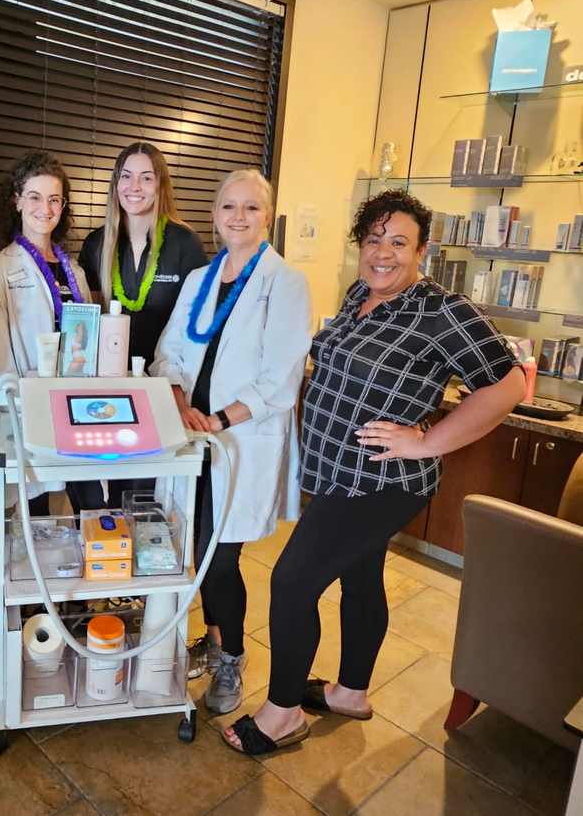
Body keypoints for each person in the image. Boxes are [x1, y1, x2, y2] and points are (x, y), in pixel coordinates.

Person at [224, 189, 527, 755]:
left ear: (422, 250)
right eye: (372, 240)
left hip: (380, 481)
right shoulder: (358, 293)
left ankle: (282, 715)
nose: (382, 253)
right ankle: (350, 693)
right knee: (361, 576)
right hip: (336, 472)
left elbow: (508, 386)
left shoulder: (442, 311)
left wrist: (426, 441)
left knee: (291, 582)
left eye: (398, 242)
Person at [151, 169, 312, 716]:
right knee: (190, 550)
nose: (238, 217)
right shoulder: (201, 278)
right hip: (190, 439)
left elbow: (281, 378)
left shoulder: (285, 282)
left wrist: (217, 420)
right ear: (215, 216)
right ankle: (216, 639)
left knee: (218, 561)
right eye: (228, 207)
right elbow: (169, 351)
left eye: (250, 207)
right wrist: (180, 404)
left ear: (267, 216)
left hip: (239, 440)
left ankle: (233, 658)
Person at [79, 141, 208, 509]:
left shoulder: (184, 243)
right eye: (127, 177)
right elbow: (88, 321)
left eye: (146, 178)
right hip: (112, 390)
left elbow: (197, 326)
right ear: (115, 183)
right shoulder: (96, 244)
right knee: (112, 487)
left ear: (160, 185)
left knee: (151, 493)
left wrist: (178, 395)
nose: (134, 187)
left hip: (166, 388)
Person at [0, 150, 104, 515]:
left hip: (78, 404)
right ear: (17, 201)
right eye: (34, 197)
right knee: (36, 511)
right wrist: (17, 400)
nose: (45, 208)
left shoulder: (76, 271)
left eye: (54, 199)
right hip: (30, 406)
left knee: (93, 504)